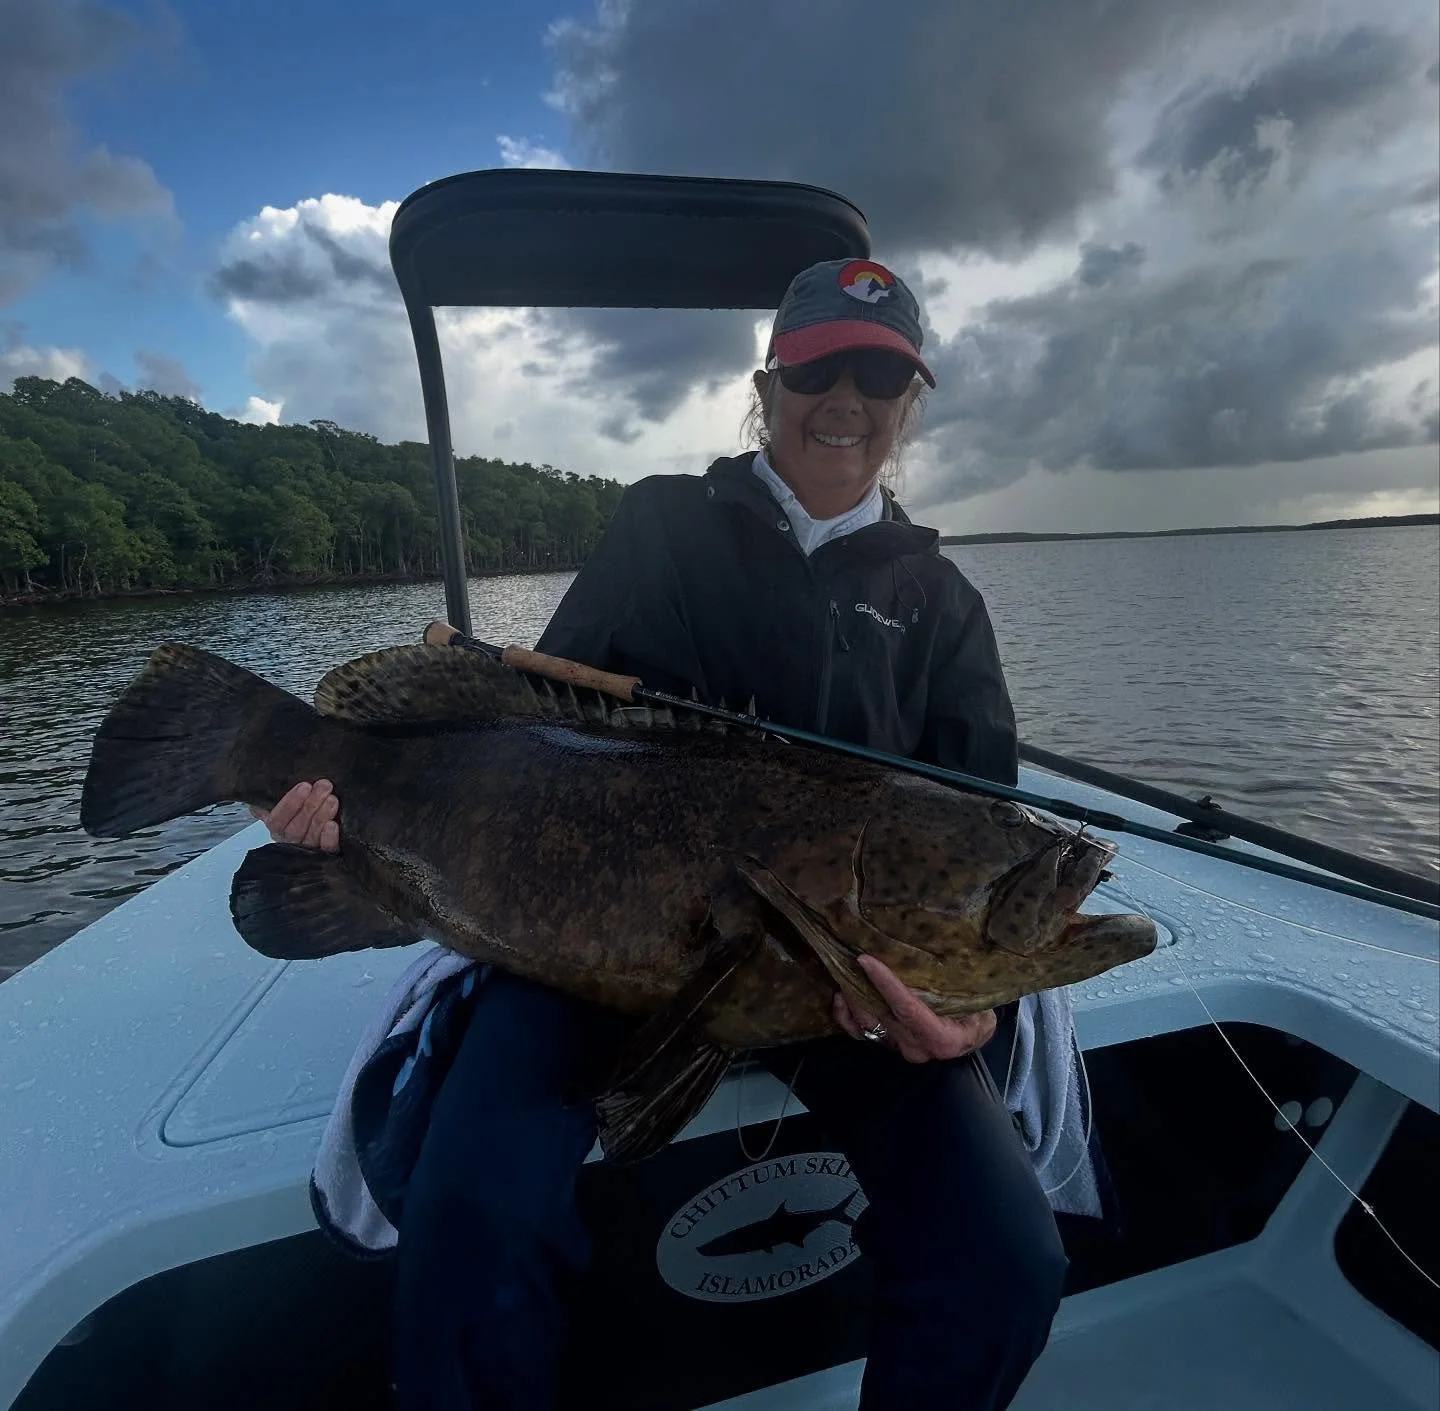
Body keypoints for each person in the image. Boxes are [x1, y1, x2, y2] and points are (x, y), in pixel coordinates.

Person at [257, 257, 1072, 1410]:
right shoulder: (661, 523)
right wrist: (345, 812)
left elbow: (986, 832)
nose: (843, 399)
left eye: (877, 376)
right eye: (816, 368)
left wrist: (970, 1009)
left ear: (911, 404)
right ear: (768, 383)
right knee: (473, 1210)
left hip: (851, 987)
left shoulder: (944, 606)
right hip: (597, 953)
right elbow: (531, 738)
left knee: (1008, 1257)